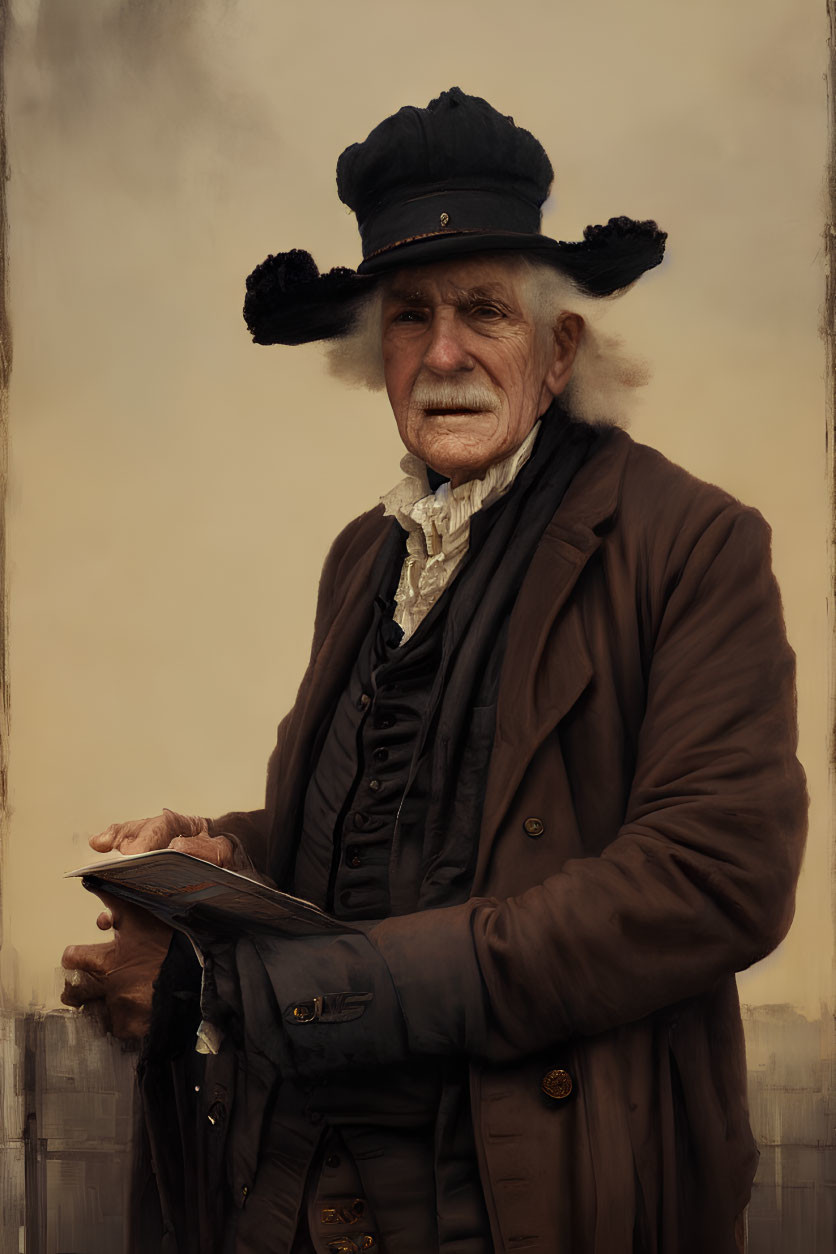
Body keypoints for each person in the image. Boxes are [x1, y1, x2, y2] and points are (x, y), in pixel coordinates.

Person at [61, 88, 807, 1254]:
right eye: (410, 316)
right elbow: (390, 832)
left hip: (521, 1194)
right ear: (378, 355)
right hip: (291, 1187)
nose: (444, 352)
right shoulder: (366, 553)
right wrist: (228, 855)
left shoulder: (688, 543)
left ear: (557, 348)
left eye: (482, 311)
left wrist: (246, 997)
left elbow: (712, 878)